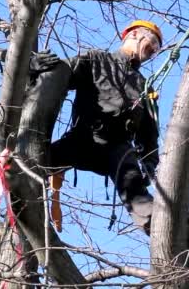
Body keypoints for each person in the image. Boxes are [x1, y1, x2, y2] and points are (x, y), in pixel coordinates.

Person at [46, 20, 162, 234]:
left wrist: (149, 165)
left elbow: (149, 136)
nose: (153, 51)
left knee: (136, 192)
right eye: (152, 42)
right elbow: (62, 75)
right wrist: (41, 68)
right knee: (34, 160)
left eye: (156, 49)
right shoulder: (96, 60)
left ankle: (164, 232)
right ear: (134, 34)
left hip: (116, 149)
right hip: (83, 138)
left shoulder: (145, 88)